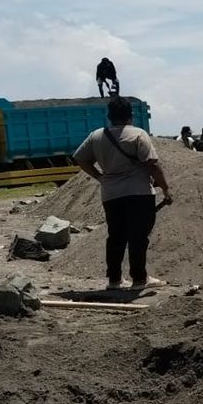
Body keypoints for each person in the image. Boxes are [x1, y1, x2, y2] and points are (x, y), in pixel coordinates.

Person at [72, 96, 171, 290]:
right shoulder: (138, 135)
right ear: (130, 115)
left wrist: (100, 177)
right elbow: (153, 165)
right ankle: (140, 279)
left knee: (116, 235)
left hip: (111, 194)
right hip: (139, 193)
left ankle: (115, 280)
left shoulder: (96, 136)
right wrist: (166, 189)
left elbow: (80, 159)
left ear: (109, 116)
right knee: (138, 236)